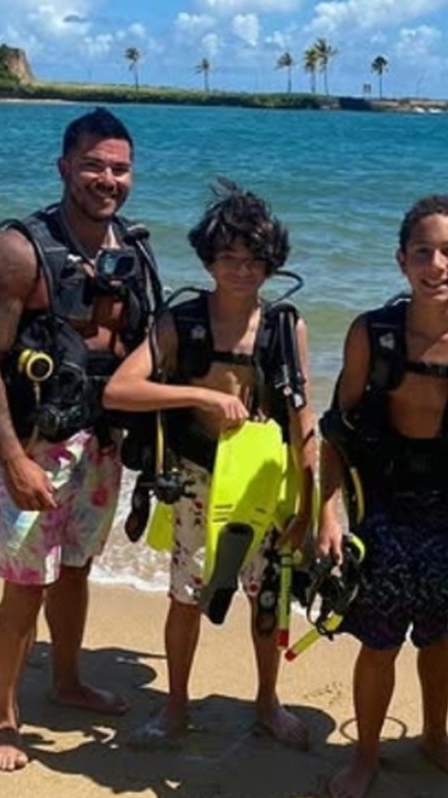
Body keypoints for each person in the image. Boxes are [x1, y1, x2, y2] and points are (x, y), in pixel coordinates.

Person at [0, 107, 160, 771]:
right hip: (35, 443)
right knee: (25, 586)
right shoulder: (17, 251)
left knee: (76, 568)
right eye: (94, 165)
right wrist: (12, 459)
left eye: (120, 167)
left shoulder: (131, 248)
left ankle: (67, 680)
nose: (108, 178)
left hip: (99, 443)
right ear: (65, 167)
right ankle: (3, 720)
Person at [316, 195, 448, 798]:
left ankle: (435, 736)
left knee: (436, 636)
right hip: (381, 509)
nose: (436, 264)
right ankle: (365, 754)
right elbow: (336, 429)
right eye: (422, 252)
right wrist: (328, 513)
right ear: (401, 261)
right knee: (378, 640)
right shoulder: (371, 333)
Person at [103, 181, 315, 750]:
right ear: (208, 259)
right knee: (186, 596)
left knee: (265, 598)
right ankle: (175, 707)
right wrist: (199, 398)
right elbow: (121, 390)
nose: (241, 271)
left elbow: (303, 421)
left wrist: (316, 506)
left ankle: (268, 703)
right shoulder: (183, 322)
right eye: (229, 259)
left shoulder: (283, 326)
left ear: (272, 264)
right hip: (196, 480)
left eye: (253, 261)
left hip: (264, 485)